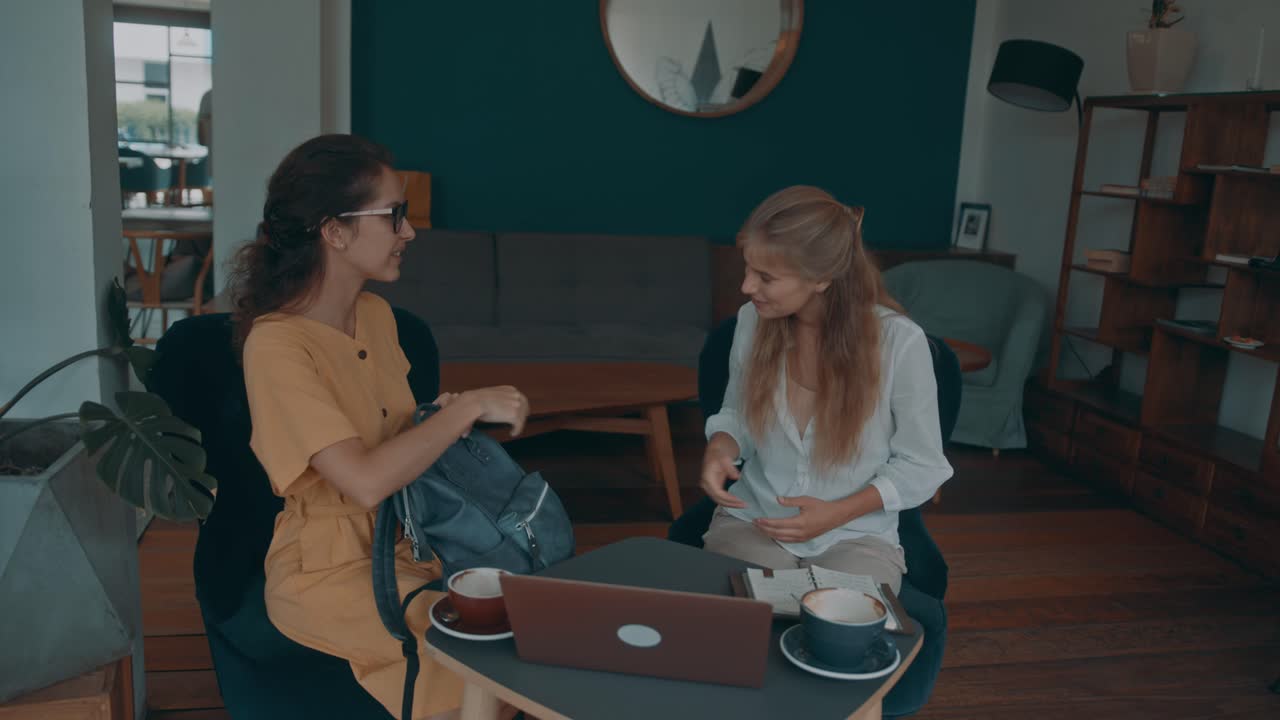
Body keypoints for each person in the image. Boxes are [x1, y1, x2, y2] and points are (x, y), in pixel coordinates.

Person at [233, 134, 529, 720]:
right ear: (334, 231)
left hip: (416, 538)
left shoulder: (376, 316)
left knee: (519, 637)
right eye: (394, 215)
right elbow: (363, 481)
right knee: (474, 661)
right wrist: (461, 411)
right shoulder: (277, 346)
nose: (409, 231)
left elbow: (389, 439)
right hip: (327, 568)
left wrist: (431, 420)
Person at [700, 186, 953, 594]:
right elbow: (739, 415)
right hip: (755, 521)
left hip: (855, 535)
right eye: (747, 268)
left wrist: (836, 514)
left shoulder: (900, 344)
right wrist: (721, 447)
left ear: (821, 279)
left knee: (837, 636)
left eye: (765, 277)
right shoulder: (752, 320)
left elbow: (921, 465)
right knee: (738, 625)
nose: (746, 287)